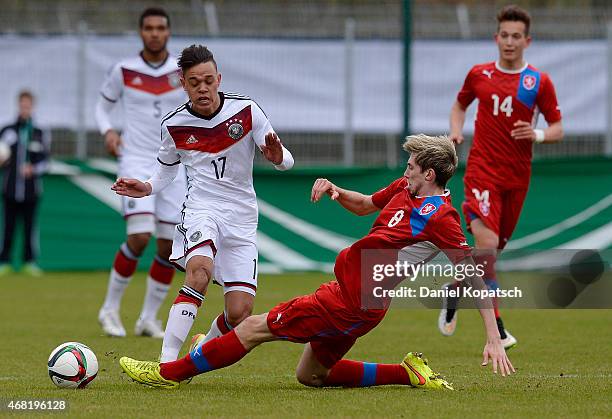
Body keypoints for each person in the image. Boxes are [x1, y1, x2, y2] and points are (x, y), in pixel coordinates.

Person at [118, 134, 514, 389]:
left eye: (411, 166)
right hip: (363, 305)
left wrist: (492, 336)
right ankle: (406, 372)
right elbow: (364, 206)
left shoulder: (443, 218)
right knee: (310, 375)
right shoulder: (404, 189)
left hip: (349, 301)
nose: (404, 170)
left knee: (255, 327)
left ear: (428, 174)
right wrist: (335, 190)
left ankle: (168, 373)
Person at [111, 44, 295, 364]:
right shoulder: (174, 124)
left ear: (219, 79)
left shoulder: (247, 110)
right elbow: (166, 170)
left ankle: (201, 348)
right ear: (183, 83)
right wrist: (148, 187)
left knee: (239, 313)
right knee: (199, 272)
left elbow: (286, 160)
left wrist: (279, 158)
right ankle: (166, 363)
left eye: (208, 80)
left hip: (241, 217)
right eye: (195, 82)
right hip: (201, 209)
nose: (203, 88)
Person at [441, 4, 563, 348]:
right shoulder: (479, 74)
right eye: (504, 36)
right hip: (482, 171)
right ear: (496, 38)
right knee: (488, 247)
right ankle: (498, 328)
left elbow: (558, 128)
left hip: (517, 177)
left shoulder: (538, 81)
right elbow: (459, 105)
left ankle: (455, 292)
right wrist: (455, 131)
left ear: (527, 41)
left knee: (489, 256)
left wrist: (536, 135)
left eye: (516, 37)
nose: (509, 42)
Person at [95, 7, 188, 338]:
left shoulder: (182, 71)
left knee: (167, 248)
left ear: (168, 32)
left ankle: (148, 318)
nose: (154, 33)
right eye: (148, 28)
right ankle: (109, 310)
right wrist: (108, 131)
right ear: (140, 32)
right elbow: (102, 107)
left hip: (172, 167)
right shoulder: (123, 70)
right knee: (139, 236)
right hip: (134, 159)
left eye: (160, 27)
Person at [0, 91, 50, 277]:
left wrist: (33, 169)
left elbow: (46, 162)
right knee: (8, 227)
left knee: (30, 228)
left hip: (31, 191)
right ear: (18, 106)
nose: (25, 109)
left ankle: (29, 262)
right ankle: (4, 262)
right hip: (9, 189)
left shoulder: (39, 133)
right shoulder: (7, 130)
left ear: (32, 107)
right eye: (22, 105)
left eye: (28, 105)